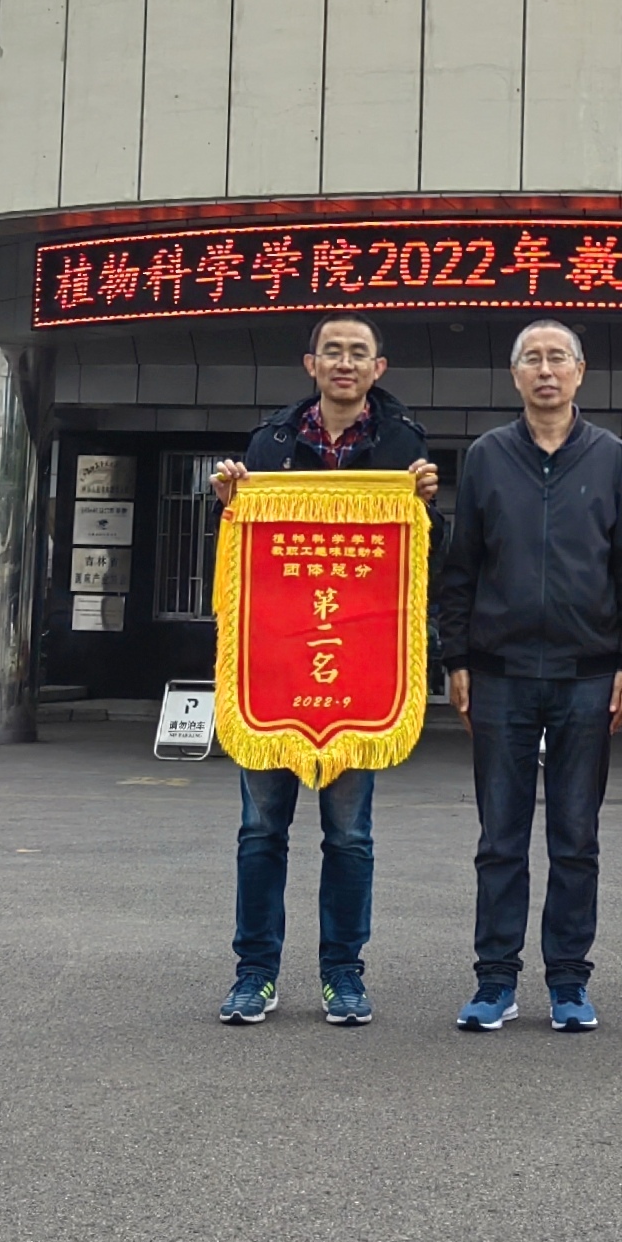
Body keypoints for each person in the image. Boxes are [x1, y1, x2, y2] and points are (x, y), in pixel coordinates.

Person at [209, 314, 439, 1028]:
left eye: (358, 353)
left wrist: (427, 508)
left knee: (349, 837)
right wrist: (229, 505)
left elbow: (420, 563)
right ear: (310, 364)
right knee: (260, 831)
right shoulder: (271, 443)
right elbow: (246, 561)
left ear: (379, 368)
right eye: (332, 351)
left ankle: (343, 973)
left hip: (356, 675)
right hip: (274, 671)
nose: (345, 362)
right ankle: (255, 973)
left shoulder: (403, 444)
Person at [435, 319, 622, 1033]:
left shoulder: (613, 458)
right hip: (499, 674)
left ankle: (569, 981)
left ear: (581, 372)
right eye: (533, 359)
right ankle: (495, 980)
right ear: (515, 374)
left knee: (575, 838)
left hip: (588, 675)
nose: (547, 370)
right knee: (500, 837)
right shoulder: (488, 456)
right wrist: (456, 659)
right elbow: (462, 567)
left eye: (559, 358)